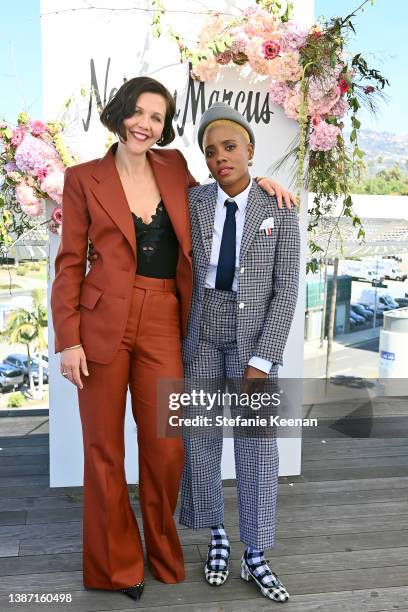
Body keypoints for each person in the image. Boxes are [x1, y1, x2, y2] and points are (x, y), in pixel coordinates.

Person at [51, 77, 295, 602]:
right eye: (137, 112)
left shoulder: (175, 169)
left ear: (165, 128)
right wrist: (68, 339)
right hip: (100, 325)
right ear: (120, 114)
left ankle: (164, 554)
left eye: (156, 117)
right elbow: (70, 264)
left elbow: (231, 192)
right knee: (103, 449)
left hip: (166, 317)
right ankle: (116, 565)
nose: (145, 124)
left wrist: (269, 186)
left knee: (166, 447)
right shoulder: (82, 178)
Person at [179, 102, 301, 602]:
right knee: (201, 440)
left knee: (256, 446)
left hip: (254, 338)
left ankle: (256, 552)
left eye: (230, 147)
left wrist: (264, 359)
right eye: (210, 152)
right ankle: (216, 535)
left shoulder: (279, 207)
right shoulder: (195, 203)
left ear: (250, 150)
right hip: (203, 329)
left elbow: (287, 288)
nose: (220, 158)